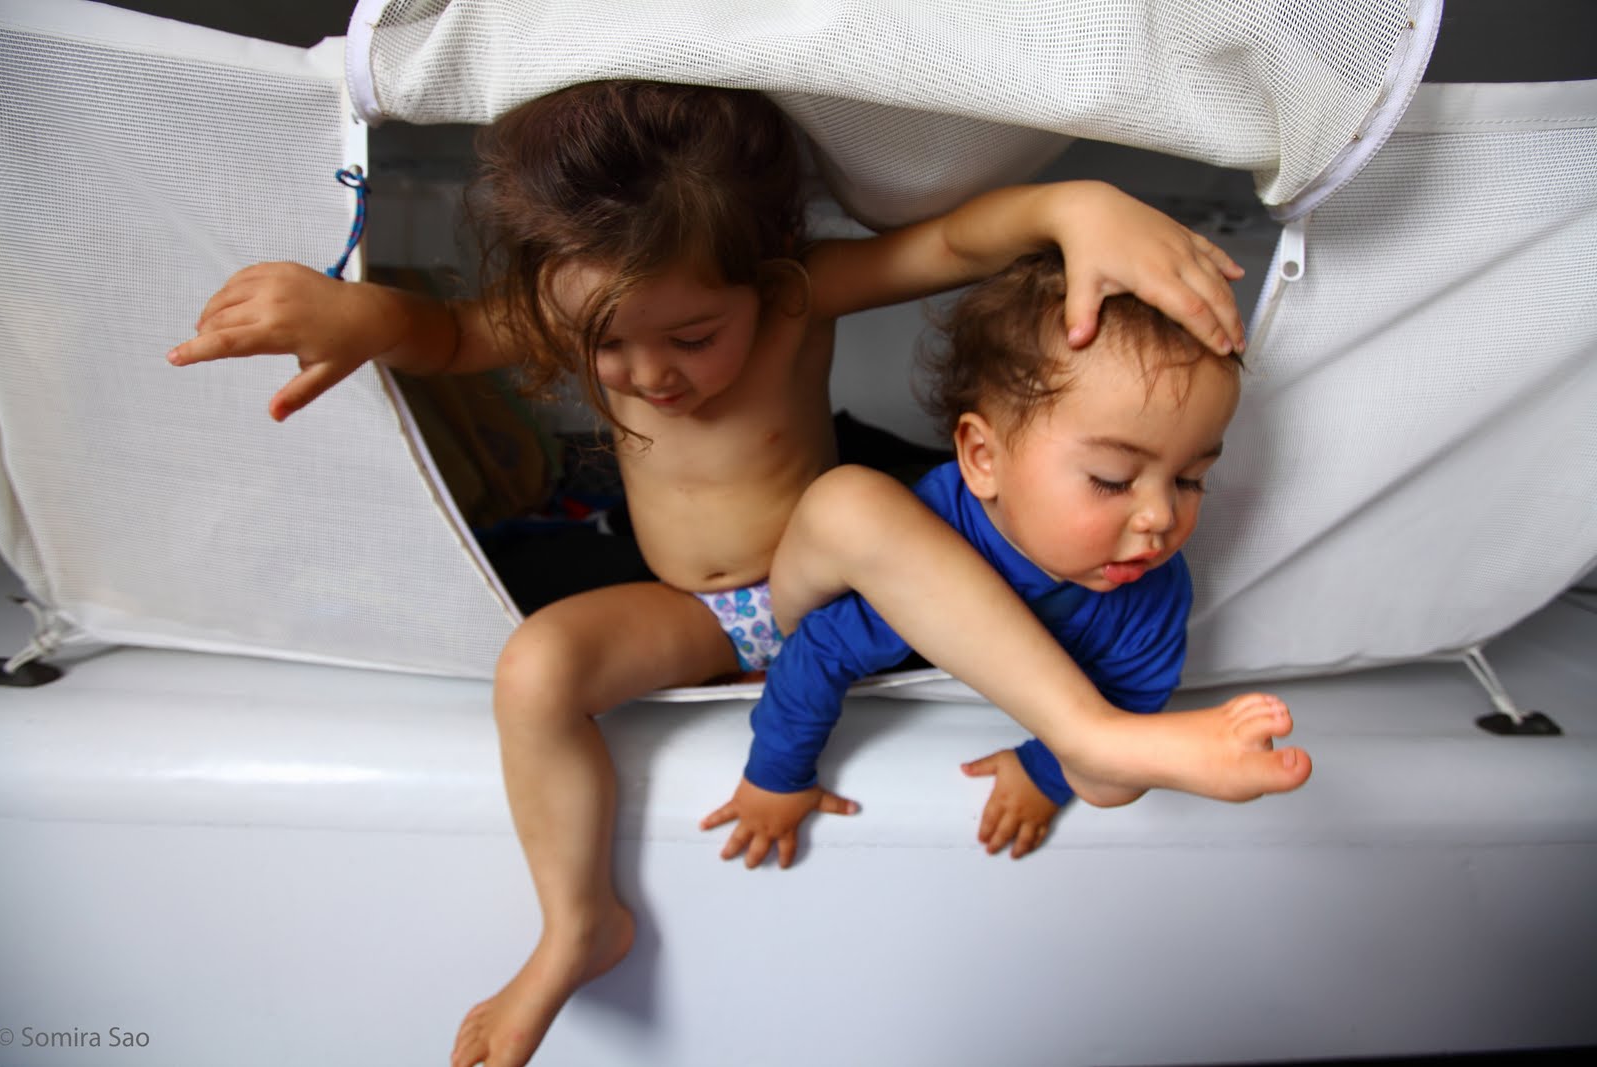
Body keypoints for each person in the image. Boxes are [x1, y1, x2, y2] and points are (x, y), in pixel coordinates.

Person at [167, 80, 1270, 1067]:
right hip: (701, 615)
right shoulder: (583, 305)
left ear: (764, 277)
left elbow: (949, 243)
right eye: (607, 347)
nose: (650, 374)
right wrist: (362, 315)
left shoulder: (797, 297)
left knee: (852, 499)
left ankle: (1087, 732)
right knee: (536, 664)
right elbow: (452, 337)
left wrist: (1070, 207)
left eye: (693, 337)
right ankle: (577, 924)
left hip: (824, 585)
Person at [703, 250, 1312, 865]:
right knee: (851, 501)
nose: (1161, 516)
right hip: (803, 579)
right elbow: (815, 655)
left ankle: (1102, 758)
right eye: (1112, 479)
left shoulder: (1152, 588)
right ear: (982, 458)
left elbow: (1130, 698)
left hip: (1076, 728)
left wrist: (1042, 773)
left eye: (1189, 479)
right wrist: (776, 777)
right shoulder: (930, 548)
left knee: (1112, 772)